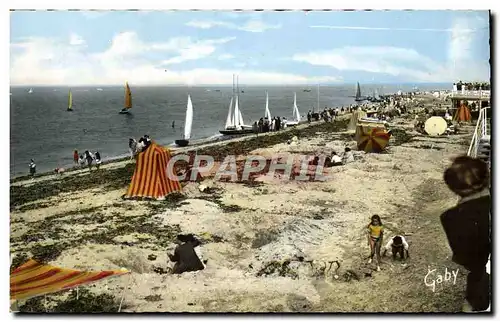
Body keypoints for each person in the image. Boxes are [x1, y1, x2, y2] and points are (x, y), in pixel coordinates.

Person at [440, 156, 491, 312]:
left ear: (453, 188)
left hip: (483, 286)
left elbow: (465, 259)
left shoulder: (451, 217)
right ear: (487, 178)